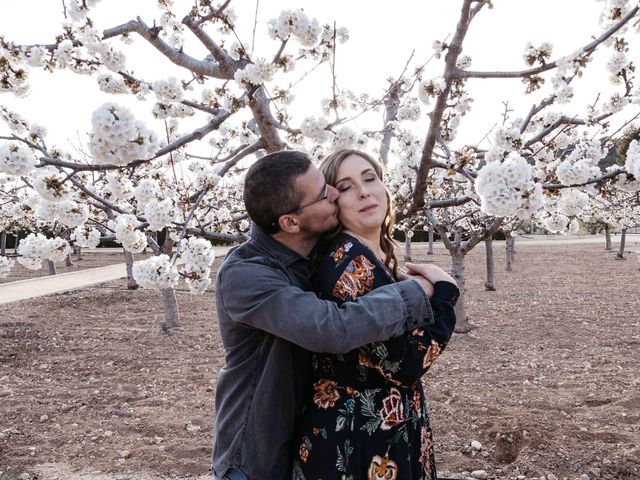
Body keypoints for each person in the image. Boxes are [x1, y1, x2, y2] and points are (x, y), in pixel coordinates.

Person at [212, 150, 455, 480]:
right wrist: (428, 291)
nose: (335, 194)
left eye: (369, 179)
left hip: (307, 435)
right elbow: (331, 328)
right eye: (327, 192)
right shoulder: (247, 275)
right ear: (291, 222)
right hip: (257, 459)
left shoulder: (310, 254)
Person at [290, 149, 459, 480]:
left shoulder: (367, 256)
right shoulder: (350, 265)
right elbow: (405, 364)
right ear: (333, 202)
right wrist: (445, 295)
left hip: (378, 424)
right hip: (359, 437)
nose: (364, 191)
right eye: (347, 186)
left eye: (370, 178)